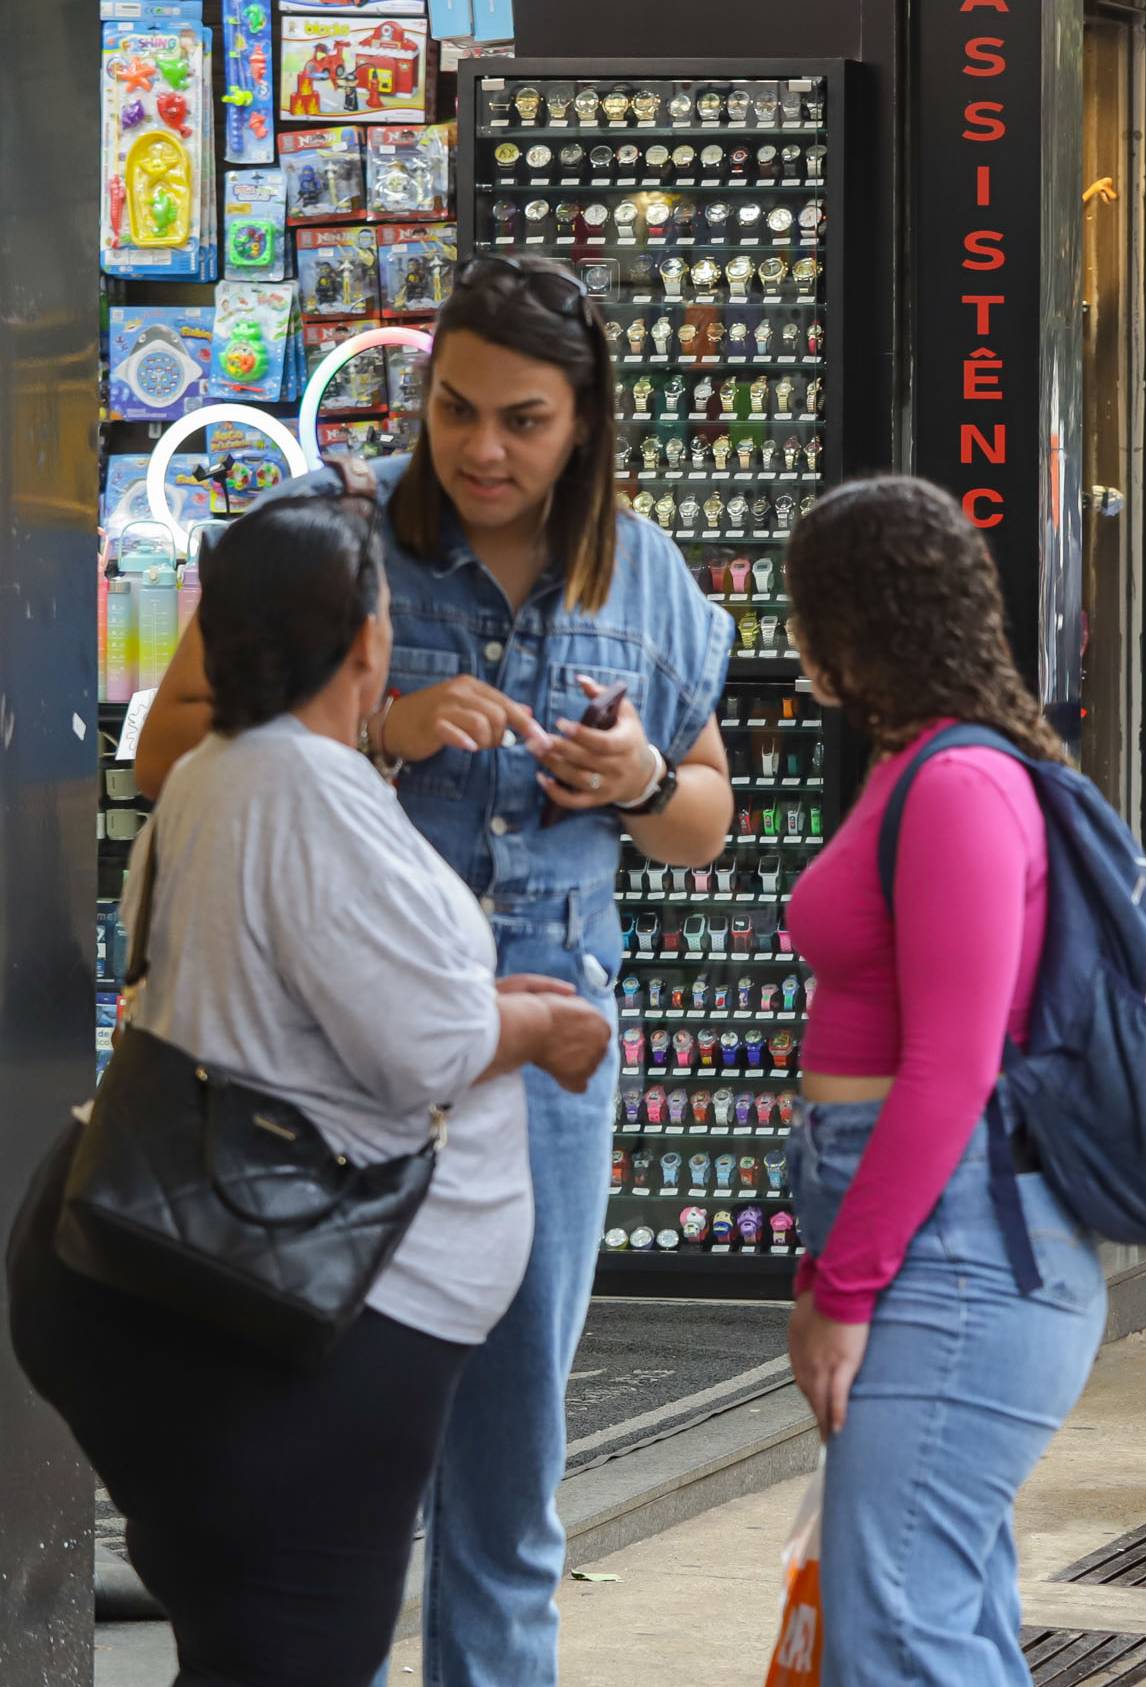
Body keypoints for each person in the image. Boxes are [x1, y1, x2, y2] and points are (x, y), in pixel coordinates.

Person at [129, 255, 737, 1687]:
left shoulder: (641, 567)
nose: (480, 448)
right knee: (320, 1472)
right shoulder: (336, 553)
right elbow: (167, 754)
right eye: (454, 410)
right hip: (333, 1068)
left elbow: (705, 823)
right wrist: (382, 728)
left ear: (584, 420)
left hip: (546, 1072)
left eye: (522, 420)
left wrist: (644, 776)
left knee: (511, 1487)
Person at [10, 495, 610, 1686]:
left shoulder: (224, 774)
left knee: (248, 1652)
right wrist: (541, 1025)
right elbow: (423, 1050)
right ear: (367, 642)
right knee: (297, 1657)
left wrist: (482, 997)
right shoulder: (304, 789)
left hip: (174, 1272)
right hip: (288, 1307)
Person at [770, 477, 1105, 1683]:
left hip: (959, 1255)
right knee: (934, 1622)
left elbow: (952, 1069)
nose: (795, 637)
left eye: (807, 606)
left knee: (898, 1632)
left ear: (861, 617)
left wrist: (845, 1285)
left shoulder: (959, 782)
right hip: (926, 1240)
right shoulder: (919, 763)